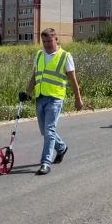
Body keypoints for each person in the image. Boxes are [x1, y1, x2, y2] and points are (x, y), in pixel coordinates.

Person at [25, 28, 84, 175]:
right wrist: (27, 92)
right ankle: (62, 147)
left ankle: (46, 162)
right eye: (44, 41)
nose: (46, 44)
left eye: (49, 41)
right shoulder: (39, 55)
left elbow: (73, 80)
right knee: (44, 131)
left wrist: (78, 98)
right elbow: (34, 76)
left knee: (49, 130)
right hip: (40, 97)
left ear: (56, 39)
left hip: (56, 98)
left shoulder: (65, 56)